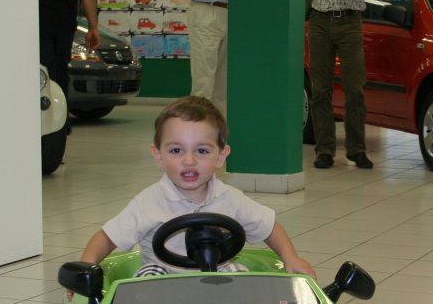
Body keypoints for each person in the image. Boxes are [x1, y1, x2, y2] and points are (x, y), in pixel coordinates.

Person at [78, 96, 316, 280]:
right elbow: (106, 238)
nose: (189, 161)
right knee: (148, 274)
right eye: (176, 150)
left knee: (238, 272)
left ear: (221, 156)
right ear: (158, 155)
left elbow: (269, 226)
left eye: (201, 151)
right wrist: (86, 267)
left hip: (216, 280)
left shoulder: (230, 198)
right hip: (163, 286)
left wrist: (290, 258)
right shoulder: (148, 202)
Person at [306, 0, 379, 170]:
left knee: (354, 87)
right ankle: (324, 150)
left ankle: (356, 149)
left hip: (349, 22)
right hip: (319, 22)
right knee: (320, 89)